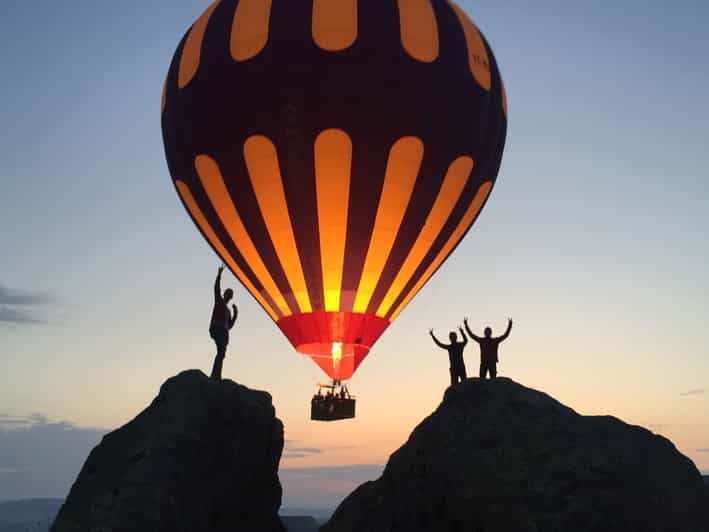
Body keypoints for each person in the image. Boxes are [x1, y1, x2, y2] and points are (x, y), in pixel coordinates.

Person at [209, 266, 238, 380]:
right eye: (228, 294)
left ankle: (216, 375)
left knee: (222, 354)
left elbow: (229, 326)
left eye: (230, 295)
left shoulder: (228, 310)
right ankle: (215, 375)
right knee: (221, 352)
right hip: (217, 329)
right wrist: (219, 275)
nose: (229, 296)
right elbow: (216, 288)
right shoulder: (219, 301)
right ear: (224, 294)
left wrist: (235, 314)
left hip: (224, 332)